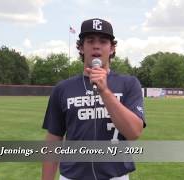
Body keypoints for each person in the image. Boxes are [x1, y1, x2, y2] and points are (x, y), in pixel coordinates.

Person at [42, 18, 146, 180]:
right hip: (72, 176)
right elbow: (53, 140)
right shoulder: (62, 89)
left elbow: (134, 132)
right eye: (90, 41)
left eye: (103, 41)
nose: (96, 46)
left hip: (115, 176)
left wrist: (104, 91)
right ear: (81, 47)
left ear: (112, 48)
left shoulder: (129, 84)